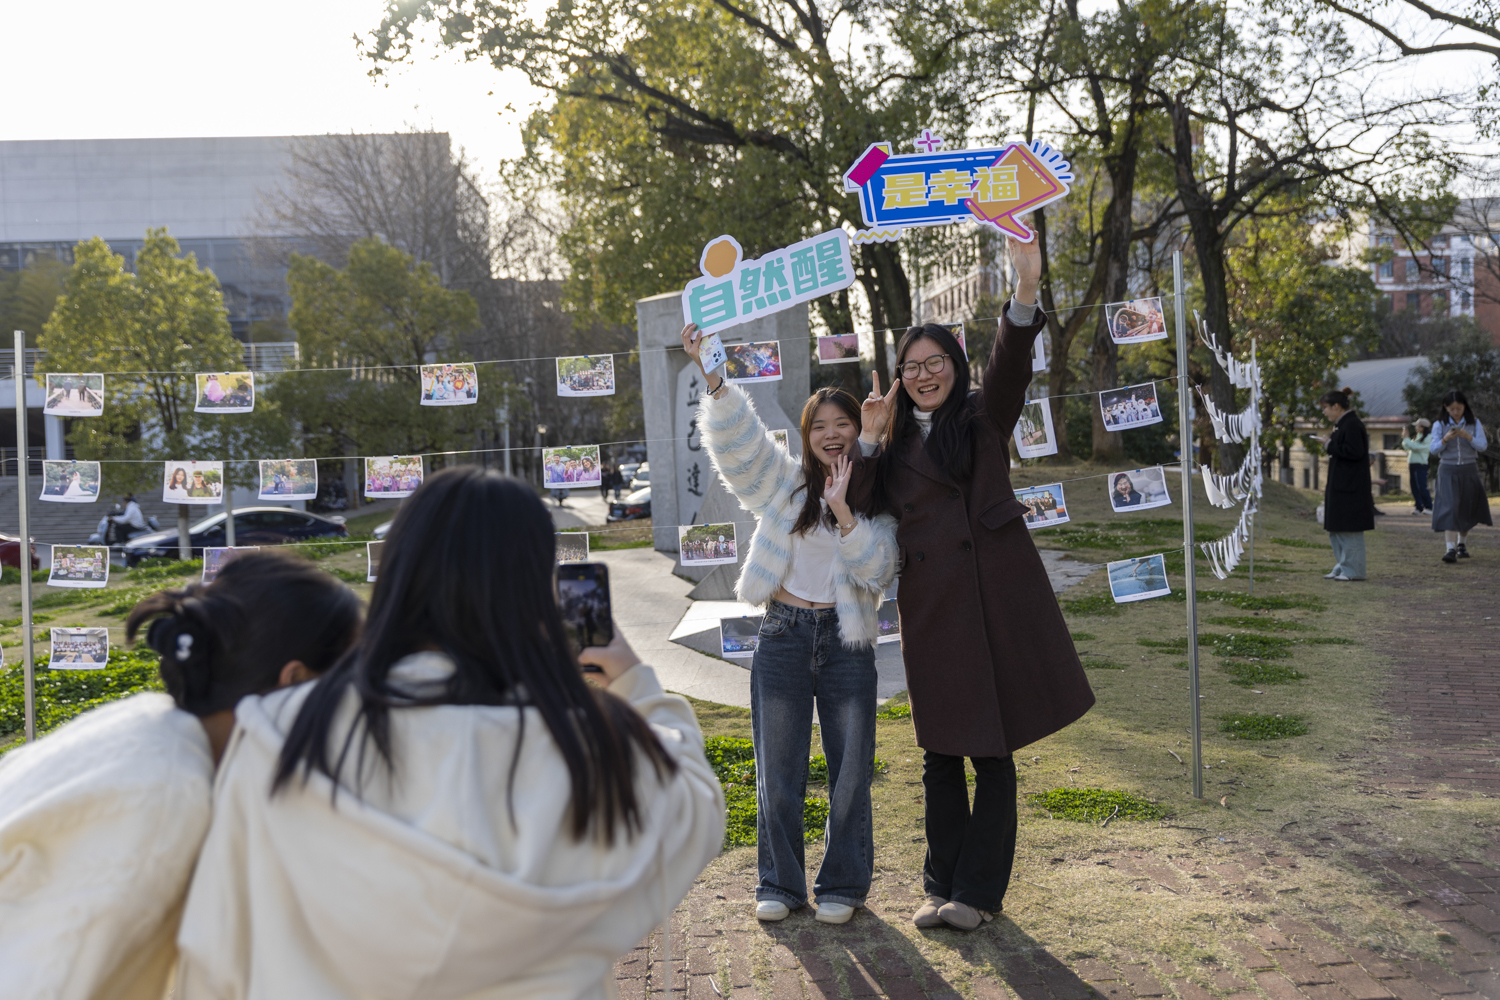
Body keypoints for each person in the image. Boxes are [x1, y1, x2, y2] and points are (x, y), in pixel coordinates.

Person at [174, 467, 724, 998]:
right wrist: (635, 683)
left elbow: (218, 947)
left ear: (397, 574)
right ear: (534, 595)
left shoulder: (281, 732)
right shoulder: (587, 747)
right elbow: (695, 809)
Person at [848, 235, 1094, 932]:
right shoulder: (891, 442)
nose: (924, 375)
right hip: (930, 609)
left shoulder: (984, 418)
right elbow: (862, 507)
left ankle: (978, 896)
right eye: (912, 367)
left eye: (935, 363)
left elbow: (1012, 363)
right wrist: (867, 439)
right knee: (938, 754)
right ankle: (939, 886)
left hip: (992, 599)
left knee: (991, 749)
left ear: (955, 365)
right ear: (899, 377)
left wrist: (1024, 290)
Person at [0, 551, 361, 1000]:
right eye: (348, 678)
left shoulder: (149, 726)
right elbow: (47, 979)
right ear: (295, 681)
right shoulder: (167, 790)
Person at [682, 327, 899, 925]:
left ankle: (843, 885)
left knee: (850, 770)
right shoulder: (786, 484)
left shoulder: (879, 496)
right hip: (783, 636)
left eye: (843, 425)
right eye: (820, 426)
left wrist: (844, 511)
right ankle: (779, 883)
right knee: (779, 771)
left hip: (847, 642)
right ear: (807, 436)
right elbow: (741, 447)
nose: (832, 435)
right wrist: (717, 378)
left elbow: (878, 568)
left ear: (859, 431)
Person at [1316, 387, 1374, 581]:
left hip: (1351, 486)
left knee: (1349, 530)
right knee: (1336, 528)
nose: (1324, 412)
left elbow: (1354, 452)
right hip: (1340, 484)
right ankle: (1342, 565)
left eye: (1326, 408)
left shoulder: (1352, 425)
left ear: (1336, 406)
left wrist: (1329, 445)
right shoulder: (1342, 425)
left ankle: (1354, 570)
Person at [1430, 389, 1491, 563]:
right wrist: (1445, 439)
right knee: (1449, 507)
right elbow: (1433, 449)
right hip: (1447, 470)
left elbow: (1483, 446)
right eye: (1452, 408)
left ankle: (1461, 545)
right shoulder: (1439, 424)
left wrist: (1468, 436)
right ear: (1446, 407)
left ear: (1465, 406)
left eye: (1459, 408)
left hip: (1469, 469)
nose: (1456, 412)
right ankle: (1450, 549)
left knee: (1466, 507)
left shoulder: (1474, 423)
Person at [1401, 419, 1433, 514]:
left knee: (1421, 486)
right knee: (1414, 486)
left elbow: (1416, 448)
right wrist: (1405, 438)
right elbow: (1407, 446)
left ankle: (1429, 507)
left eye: (1418, 426)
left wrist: (1406, 439)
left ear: (1423, 427)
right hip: (1412, 463)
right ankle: (1419, 507)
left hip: (1421, 464)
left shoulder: (1428, 438)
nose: (1416, 428)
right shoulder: (1417, 436)